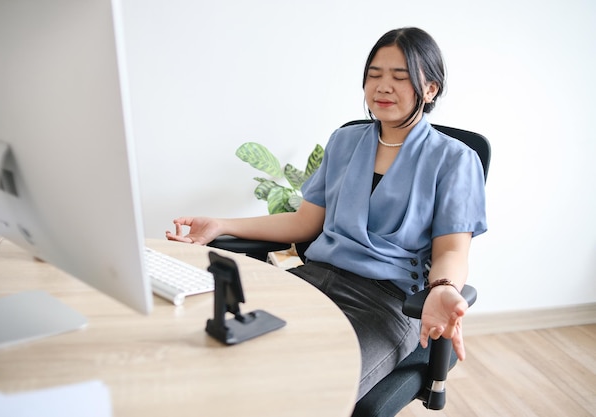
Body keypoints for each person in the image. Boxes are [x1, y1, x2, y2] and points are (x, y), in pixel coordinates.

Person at [166, 27, 487, 400]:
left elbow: (451, 250)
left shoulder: (455, 160)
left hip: (384, 302)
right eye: (374, 75)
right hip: (311, 281)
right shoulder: (345, 141)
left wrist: (444, 289)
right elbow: (305, 222)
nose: (383, 87)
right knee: (223, 353)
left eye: (400, 78)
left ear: (430, 89)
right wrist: (221, 224)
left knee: (311, 393)